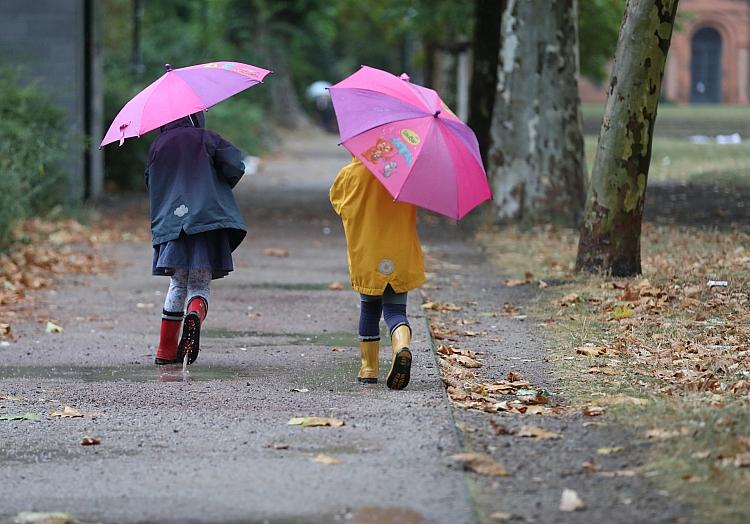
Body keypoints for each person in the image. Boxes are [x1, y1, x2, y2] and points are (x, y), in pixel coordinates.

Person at [146, 111, 246, 366]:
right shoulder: (206, 138)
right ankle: (195, 312)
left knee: (178, 284)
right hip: (206, 221)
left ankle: (165, 350)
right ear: (196, 116)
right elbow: (235, 165)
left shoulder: (158, 145)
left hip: (173, 222)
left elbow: (151, 181)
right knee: (199, 285)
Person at [329, 157, 425, 390]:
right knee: (395, 311)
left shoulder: (350, 173)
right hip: (400, 252)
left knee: (370, 310)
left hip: (368, 253)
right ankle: (401, 344)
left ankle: (369, 369)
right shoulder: (406, 172)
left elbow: (338, 203)